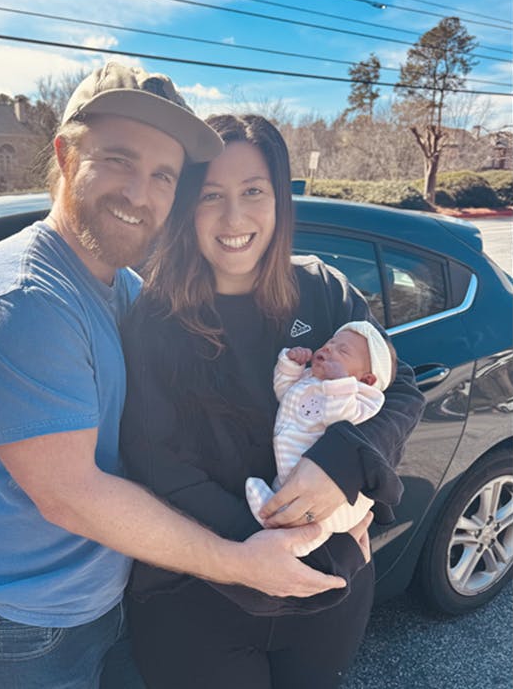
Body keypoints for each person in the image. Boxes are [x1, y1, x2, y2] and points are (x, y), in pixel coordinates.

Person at [0, 62, 347, 689]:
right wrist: (239, 562)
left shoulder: (124, 289)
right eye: (119, 160)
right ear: (66, 157)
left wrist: (347, 480)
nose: (140, 193)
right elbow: (74, 493)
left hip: (110, 594)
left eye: (163, 176)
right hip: (25, 627)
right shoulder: (23, 300)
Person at [118, 113, 423, 689]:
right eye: (212, 195)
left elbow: (400, 387)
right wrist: (269, 550)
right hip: (197, 601)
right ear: (187, 206)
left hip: (328, 592)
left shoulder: (324, 289)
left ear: (280, 198)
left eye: (253, 191)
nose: (234, 217)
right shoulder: (153, 320)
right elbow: (158, 465)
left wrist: (342, 465)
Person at [246, 320, 398, 533]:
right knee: (287, 491)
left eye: (342, 351)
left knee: (314, 520)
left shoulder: (358, 397)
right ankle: (276, 514)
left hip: (322, 478)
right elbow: (284, 393)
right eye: (331, 342)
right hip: (290, 459)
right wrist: (291, 365)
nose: (328, 348)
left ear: (367, 379)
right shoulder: (309, 379)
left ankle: (284, 528)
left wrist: (338, 384)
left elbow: (339, 420)